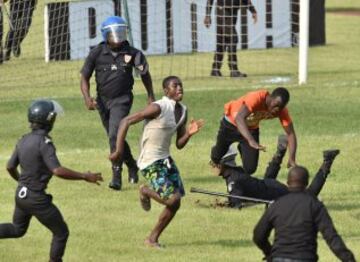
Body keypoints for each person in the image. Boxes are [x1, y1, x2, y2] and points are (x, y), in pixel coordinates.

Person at [0, 99, 103, 262]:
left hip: (21, 195)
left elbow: (9, 166)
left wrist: (22, 182)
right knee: (61, 232)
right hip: (36, 199)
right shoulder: (44, 143)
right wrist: (84, 176)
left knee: (17, 229)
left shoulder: (23, 139)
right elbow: (57, 170)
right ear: (49, 120)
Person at [109, 76, 204, 248]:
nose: (180, 88)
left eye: (181, 85)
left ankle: (152, 239)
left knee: (176, 203)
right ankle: (145, 191)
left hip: (165, 159)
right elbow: (126, 121)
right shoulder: (158, 107)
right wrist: (118, 150)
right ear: (166, 91)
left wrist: (189, 133)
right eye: (175, 86)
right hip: (150, 160)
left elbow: (179, 144)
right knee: (172, 199)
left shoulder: (183, 110)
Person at [80, 16, 155, 191]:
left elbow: (144, 74)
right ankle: (132, 164)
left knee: (115, 133)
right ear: (106, 35)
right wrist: (87, 98)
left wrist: (150, 95)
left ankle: (116, 176)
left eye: (121, 33)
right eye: (114, 34)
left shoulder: (133, 53)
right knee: (115, 136)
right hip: (102, 101)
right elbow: (84, 76)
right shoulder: (97, 53)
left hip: (122, 100)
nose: (118, 37)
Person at [253, 166, 356, 262]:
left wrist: (269, 253)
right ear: (306, 183)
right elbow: (332, 238)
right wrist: (349, 259)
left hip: (279, 257)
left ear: (288, 182)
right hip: (305, 257)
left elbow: (258, 235)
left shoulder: (277, 205)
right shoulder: (314, 205)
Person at [216, 136, 339, 208]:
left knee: (308, 196)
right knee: (266, 181)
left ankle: (327, 161)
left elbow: (237, 204)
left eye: (214, 163)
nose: (212, 167)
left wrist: (227, 204)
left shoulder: (233, 181)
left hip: (276, 192)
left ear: (223, 164)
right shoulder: (237, 171)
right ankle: (280, 150)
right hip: (268, 184)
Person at [210, 87, 297, 175]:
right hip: (231, 124)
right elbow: (239, 118)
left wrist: (292, 158)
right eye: (276, 105)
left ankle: (241, 151)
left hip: (250, 129)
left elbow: (291, 134)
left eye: (281, 107)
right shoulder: (257, 98)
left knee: (250, 169)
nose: (278, 109)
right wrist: (251, 141)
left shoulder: (281, 111)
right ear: (271, 97)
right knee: (216, 157)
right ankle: (220, 152)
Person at [204, 0, 257, 77]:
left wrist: (253, 11)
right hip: (223, 10)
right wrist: (207, 15)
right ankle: (234, 70)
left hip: (232, 12)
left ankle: (215, 69)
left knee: (222, 41)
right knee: (233, 38)